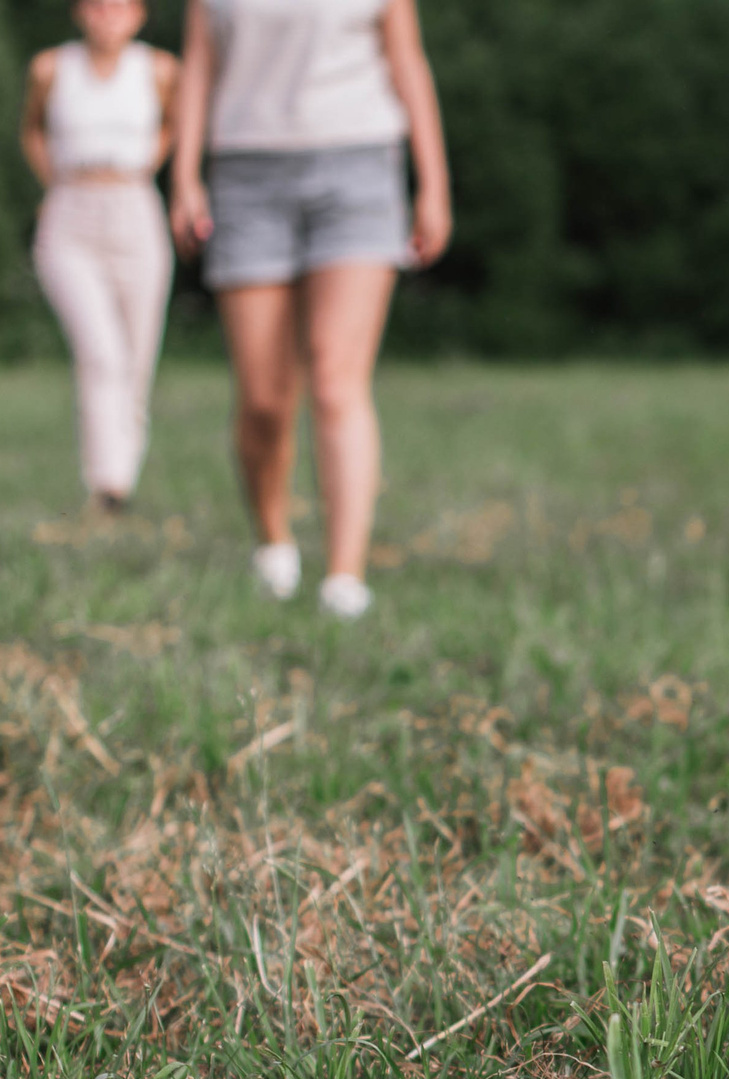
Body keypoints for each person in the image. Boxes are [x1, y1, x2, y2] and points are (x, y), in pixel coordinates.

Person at [167, 0, 451, 619]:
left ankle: (344, 579)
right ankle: (273, 543)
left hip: (359, 165)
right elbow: (199, 65)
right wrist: (185, 176)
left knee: (334, 378)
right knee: (265, 400)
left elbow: (407, 60)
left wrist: (434, 184)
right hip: (246, 171)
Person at [21, 0, 178, 516]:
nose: (107, 16)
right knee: (101, 352)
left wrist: (146, 165)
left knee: (136, 355)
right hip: (71, 214)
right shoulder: (50, 68)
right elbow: (33, 129)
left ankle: (124, 474)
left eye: (118, 6)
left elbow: (173, 125)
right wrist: (54, 181)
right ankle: (106, 481)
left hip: (134, 209)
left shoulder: (159, 70)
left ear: (138, 15)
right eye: (97, 6)